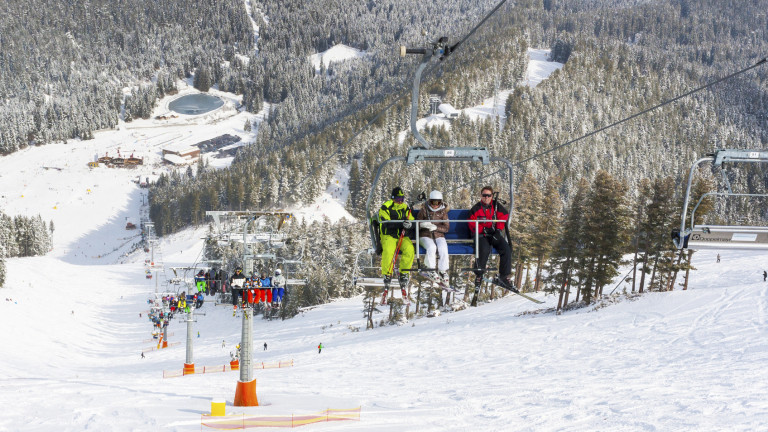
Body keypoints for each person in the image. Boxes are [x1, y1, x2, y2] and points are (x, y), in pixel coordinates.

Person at [468, 186, 513, 290]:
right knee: (484, 249)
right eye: (484, 195)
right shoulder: (476, 209)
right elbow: (471, 223)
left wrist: (498, 230)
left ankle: (504, 276)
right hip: (481, 235)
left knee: (506, 249)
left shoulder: (496, 206)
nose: (486, 198)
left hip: (493, 234)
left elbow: (504, 216)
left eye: (488, 195)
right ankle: (479, 274)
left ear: (492, 196)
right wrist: (483, 230)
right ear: (481, 196)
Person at [378, 187, 415, 290]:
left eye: (402, 199)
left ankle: (404, 272)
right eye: (398, 199)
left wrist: (409, 225)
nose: (400, 202)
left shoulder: (405, 208)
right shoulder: (386, 207)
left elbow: (412, 220)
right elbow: (386, 223)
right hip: (389, 235)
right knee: (389, 251)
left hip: (402, 236)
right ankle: (387, 274)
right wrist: (401, 224)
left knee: (409, 249)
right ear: (393, 198)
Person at [417, 190, 450, 284]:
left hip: (438, 235)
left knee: (443, 247)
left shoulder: (443, 212)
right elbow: (416, 224)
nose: (435, 205)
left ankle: (443, 270)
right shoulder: (424, 210)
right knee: (431, 247)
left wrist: (436, 227)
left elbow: (446, 228)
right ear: (429, 201)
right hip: (425, 235)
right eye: (433, 202)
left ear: (441, 202)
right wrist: (423, 225)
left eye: (438, 203)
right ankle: (431, 269)